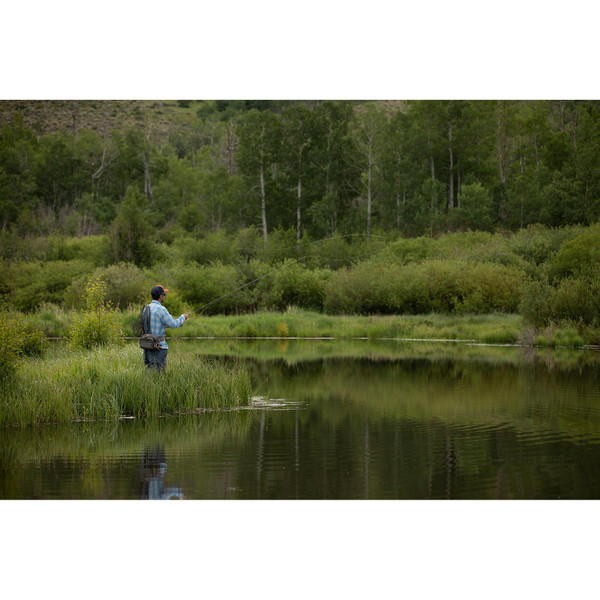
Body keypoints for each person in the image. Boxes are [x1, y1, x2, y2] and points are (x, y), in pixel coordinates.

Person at [143, 285, 188, 370]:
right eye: (164, 295)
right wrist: (183, 317)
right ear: (160, 296)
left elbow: (150, 324)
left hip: (147, 347)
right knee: (159, 376)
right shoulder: (161, 309)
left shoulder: (146, 308)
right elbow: (173, 324)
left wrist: (165, 326)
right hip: (159, 347)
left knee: (149, 375)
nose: (164, 297)